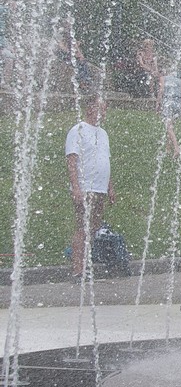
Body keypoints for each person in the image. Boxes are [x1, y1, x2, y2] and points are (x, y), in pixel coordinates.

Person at [65, 94, 114, 277]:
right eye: (101, 108)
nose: (104, 112)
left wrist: (110, 186)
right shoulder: (78, 130)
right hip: (85, 187)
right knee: (82, 228)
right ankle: (78, 271)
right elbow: (72, 160)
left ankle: (85, 265)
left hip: (100, 187)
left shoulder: (103, 133)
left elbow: (105, 159)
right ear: (90, 108)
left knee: (93, 227)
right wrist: (76, 187)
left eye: (105, 109)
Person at [156, 58, 181, 159]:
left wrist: (158, 103)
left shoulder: (163, 78)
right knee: (170, 127)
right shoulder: (179, 81)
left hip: (168, 104)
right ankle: (168, 149)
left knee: (168, 127)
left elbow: (162, 90)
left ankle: (177, 148)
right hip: (178, 104)